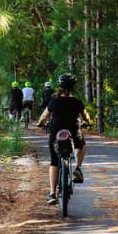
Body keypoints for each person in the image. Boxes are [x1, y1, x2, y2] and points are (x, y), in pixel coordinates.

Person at [36, 74, 91, 205]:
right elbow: (87, 117)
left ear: (60, 86)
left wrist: (41, 124)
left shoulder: (54, 101)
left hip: (56, 134)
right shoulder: (77, 102)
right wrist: (87, 123)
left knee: (54, 162)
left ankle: (52, 194)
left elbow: (43, 117)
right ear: (73, 87)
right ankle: (77, 168)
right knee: (81, 145)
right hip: (73, 133)